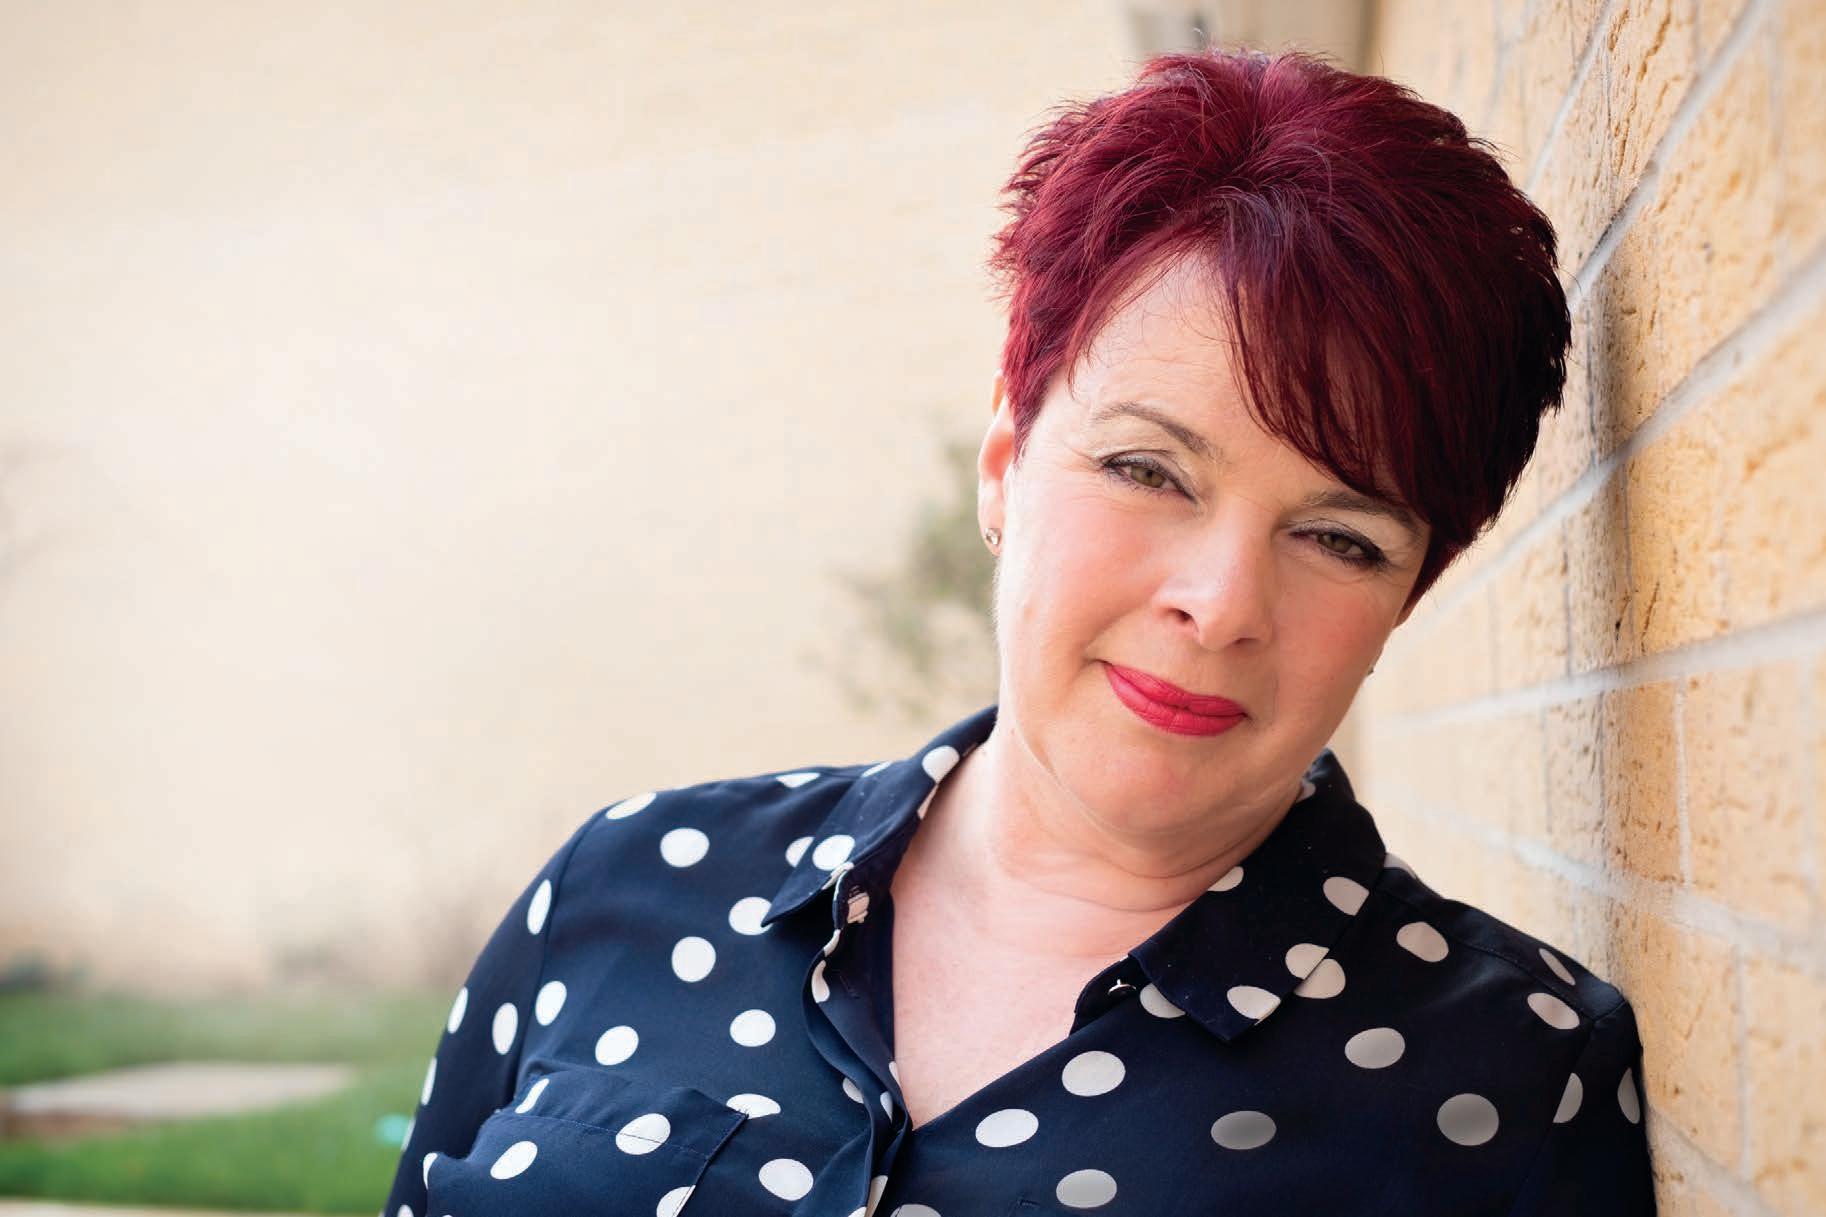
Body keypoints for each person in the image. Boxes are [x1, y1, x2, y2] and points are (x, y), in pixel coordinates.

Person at [383, 46, 1655, 1217]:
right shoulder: (623, 883)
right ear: (1004, 458)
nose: (1220, 603)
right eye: (1148, 469)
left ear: (1409, 592)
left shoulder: (1512, 1080)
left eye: (1338, 538)